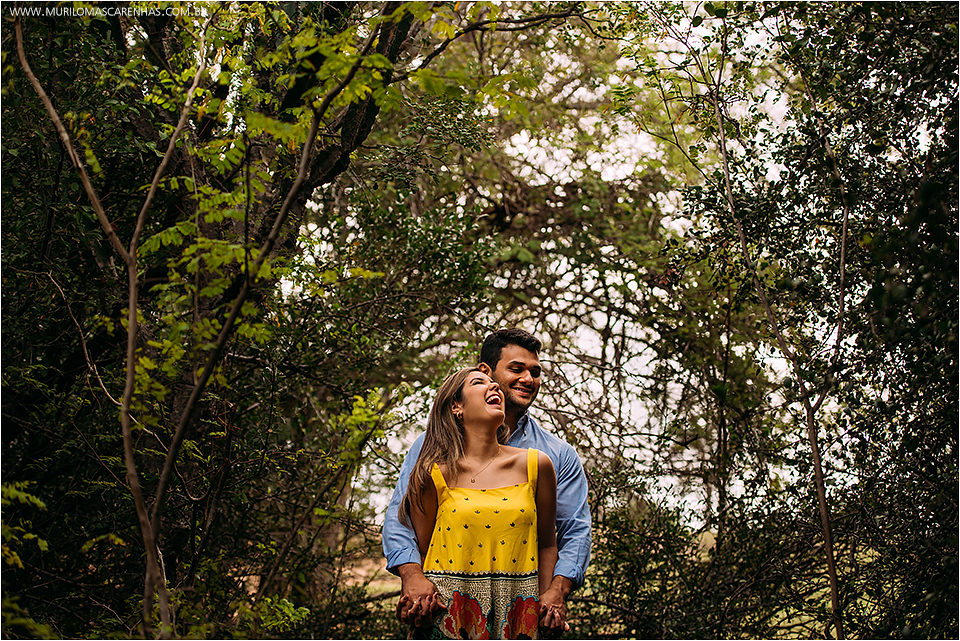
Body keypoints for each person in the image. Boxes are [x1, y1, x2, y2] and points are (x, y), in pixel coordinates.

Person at [383, 329, 591, 635]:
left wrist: (555, 593)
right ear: (486, 371)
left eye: (535, 372)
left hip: (519, 612)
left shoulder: (554, 456)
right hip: (451, 612)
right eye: (516, 369)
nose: (528, 379)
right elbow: (404, 522)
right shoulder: (432, 448)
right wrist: (413, 577)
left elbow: (572, 532)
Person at [401, 367, 556, 638]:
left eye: (494, 383)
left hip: (517, 619)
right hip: (448, 620)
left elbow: (547, 545)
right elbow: (422, 552)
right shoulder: (432, 474)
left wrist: (545, 602)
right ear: (456, 407)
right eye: (478, 383)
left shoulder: (537, 465)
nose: (494, 387)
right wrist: (417, 600)